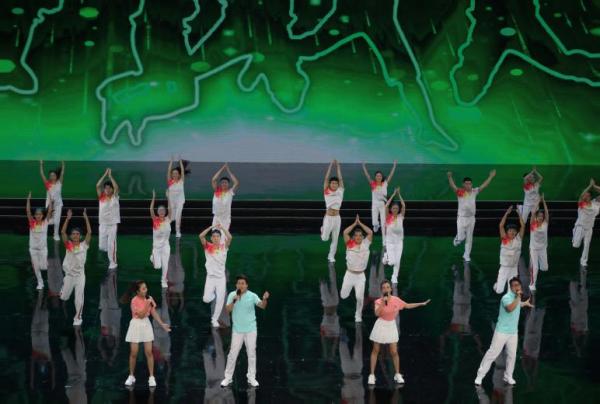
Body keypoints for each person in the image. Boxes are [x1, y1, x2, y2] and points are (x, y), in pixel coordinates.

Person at [367, 280, 430, 385]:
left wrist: (421, 304)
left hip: (391, 326)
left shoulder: (396, 300)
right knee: (375, 350)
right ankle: (372, 375)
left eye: (388, 287)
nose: (386, 289)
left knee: (394, 352)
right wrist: (383, 303)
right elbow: (377, 313)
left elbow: (407, 305)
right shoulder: (378, 301)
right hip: (381, 325)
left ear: (391, 289)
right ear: (381, 290)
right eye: (384, 288)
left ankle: (397, 374)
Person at [474, 277, 533, 386]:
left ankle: (508, 376)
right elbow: (510, 308)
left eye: (518, 285)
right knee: (492, 353)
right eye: (514, 285)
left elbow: (516, 305)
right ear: (511, 287)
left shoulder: (517, 298)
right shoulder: (505, 298)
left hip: (513, 333)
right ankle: (480, 375)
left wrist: (523, 303)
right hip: (501, 332)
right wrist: (519, 298)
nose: (516, 287)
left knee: (512, 355)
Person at [220, 275, 269, 388]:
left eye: (243, 283)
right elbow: (227, 310)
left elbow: (262, 306)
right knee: (232, 354)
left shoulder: (252, 295)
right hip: (237, 330)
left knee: (251, 354)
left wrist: (265, 299)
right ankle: (228, 377)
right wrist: (234, 301)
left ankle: (251, 377)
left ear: (247, 285)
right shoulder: (232, 295)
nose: (240, 285)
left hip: (251, 329)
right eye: (239, 283)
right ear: (236, 285)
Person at [124, 280, 171, 387]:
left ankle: (151, 377)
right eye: (143, 288)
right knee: (134, 353)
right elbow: (140, 315)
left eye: (146, 288)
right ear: (138, 291)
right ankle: (131, 376)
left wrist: (162, 324)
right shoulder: (134, 301)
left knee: (149, 352)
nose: (146, 290)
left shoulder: (148, 299)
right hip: (136, 325)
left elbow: (153, 312)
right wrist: (147, 303)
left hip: (146, 325)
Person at [447, 170, 496, 262]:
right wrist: (450, 177)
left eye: (470, 183)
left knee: (469, 237)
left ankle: (466, 255)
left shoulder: (474, 191)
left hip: (471, 218)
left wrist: (491, 176)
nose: (468, 185)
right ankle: (458, 239)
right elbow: (453, 186)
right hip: (461, 218)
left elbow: (484, 185)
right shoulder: (460, 192)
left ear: (471, 184)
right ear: (463, 184)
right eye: (466, 184)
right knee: (461, 238)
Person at [60, 209, 91, 326]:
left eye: (77, 234)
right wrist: (67, 219)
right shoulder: (68, 245)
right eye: (73, 234)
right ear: (71, 236)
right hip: (69, 275)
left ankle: (78, 317)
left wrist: (86, 217)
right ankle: (63, 289)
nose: (75, 235)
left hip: (80, 276)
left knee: (79, 298)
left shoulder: (84, 245)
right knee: (64, 297)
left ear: (80, 236)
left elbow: (89, 232)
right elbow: (62, 232)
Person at [340, 215, 373, 323]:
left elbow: (370, 232)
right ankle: (348, 290)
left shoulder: (366, 244)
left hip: (360, 276)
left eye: (360, 235)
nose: (358, 237)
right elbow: (345, 232)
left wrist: (360, 224)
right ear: (353, 237)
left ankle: (358, 315)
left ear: (362, 237)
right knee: (343, 296)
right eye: (356, 235)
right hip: (349, 275)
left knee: (359, 297)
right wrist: (355, 224)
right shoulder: (350, 244)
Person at [199, 224, 232, 328]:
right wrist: (210, 227)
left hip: (221, 278)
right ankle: (213, 295)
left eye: (218, 236)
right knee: (206, 299)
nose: (216, 238)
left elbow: (230, 237)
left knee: (220, 300)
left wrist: (222, 228)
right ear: (211, 238)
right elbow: (201, 236)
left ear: (220, 238)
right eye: (214, 236)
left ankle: (214, 319)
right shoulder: (207, 246)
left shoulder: (224, 247)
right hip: (210, 278)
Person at [361, 160, 397, 242]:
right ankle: (376, 225)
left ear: (382, 177)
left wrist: (394, 166)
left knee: (384, 224)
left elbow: (391, 175)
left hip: (383, 205)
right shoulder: (372, 184)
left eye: (380, 176)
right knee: (374, 223)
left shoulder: (385, 184)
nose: (379, 177)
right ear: (375, 177)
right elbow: (367, 176)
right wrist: (363, 167)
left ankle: (384, 242)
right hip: (375, 205)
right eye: (377, 176)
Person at [493, 206, 525, 294]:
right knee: (499, 291)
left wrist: (519, 214)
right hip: (504, 268)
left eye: (514, 231)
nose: (512, 232)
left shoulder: (518, 239)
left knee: (512, 292)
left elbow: (523, 226)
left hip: (514, 268)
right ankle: (497, 284)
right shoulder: (504, 239)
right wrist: (507, 213)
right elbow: (501, 225)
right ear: (507, 232)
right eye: (510, 230)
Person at [26, 192, 53, 290]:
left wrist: (50, 200)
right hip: (33, 249)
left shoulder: (45, 222)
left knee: (43, 267)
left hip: (43, 249)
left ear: (42, 215)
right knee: (36, 267)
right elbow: (28, 211)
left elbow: (49, 211)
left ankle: (49, 269)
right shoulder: (32, 222)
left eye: (40, 214)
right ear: (35, 215)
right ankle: (40, 283)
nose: (38, 216)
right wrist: (28, 200)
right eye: (36, 214)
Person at [96, 168, 120, 269]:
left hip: (112, 225)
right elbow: (98, 185)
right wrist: (105, 174)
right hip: (103, 224)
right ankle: (110, 251)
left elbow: (116, 187)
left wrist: (110, 176)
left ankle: (113, 262)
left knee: (111, 245)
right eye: (106, 188)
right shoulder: (101, 197)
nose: (107, 189)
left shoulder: (115, 197)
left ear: (112, 189)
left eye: (109, 188)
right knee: (102, 247)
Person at [572, 179, 600, 267]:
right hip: (580, 227)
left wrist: (594, 186)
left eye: (587, 195)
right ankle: (574, 235)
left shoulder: (596, 204)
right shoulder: (581, 204)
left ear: (590, 197)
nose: (585, 196)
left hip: (589, 229)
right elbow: (581, 196)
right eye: (584, 195)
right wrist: (590, 186)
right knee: (575, 245)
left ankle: (583, 261)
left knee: (587, 245)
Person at [321, 160, 344, 263]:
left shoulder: (340, 190)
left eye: (336, 183)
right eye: (333, 183)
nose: (334, 184)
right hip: (328, 218)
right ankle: (322, 229)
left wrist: (338, 167)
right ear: (330, 184)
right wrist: (331, 165)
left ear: (338, 185)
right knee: (325, 239)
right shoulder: (326, 190)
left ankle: (331, 256)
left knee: (335, 239)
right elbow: (326, 178)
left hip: (337, 218)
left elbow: (341, 178)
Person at [382, 187, 405, 284]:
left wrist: (399, 195)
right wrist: (393, 195)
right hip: (390, 242)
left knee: (398, 260)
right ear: (391, 209)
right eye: (393, 208)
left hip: (399, 242)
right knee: (392, 262)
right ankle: (386, 257)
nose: (395, 209)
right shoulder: (388, 217)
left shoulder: (401, 216)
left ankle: (394, 276)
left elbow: (404, 205)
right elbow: (386, 206)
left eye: (396, 208)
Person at [150, 190, 172, 288]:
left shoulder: (168, 219)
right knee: (157, 266)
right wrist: (153, 198)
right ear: (157, 212)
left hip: (166, 245)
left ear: (165, 212)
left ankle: (163, 281)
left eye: (163, 210)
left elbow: (170, 208)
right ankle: (152, 257)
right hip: (156, 247)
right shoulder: (155, 219)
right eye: (160, 210)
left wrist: (168, 197)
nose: (162, 212)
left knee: (165, 264)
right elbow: (151, 209)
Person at [39, 160, 64, 241]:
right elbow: (42, 174)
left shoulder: (59, 183)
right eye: (50, 175)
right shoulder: (48, 184)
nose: (52, 176)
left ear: (56, 176)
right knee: (49, 221)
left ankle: (56, 235)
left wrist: (63, 164)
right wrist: (41, 164)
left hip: (58, 205)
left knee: (57, 221)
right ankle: (41, 228)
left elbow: (62, 173)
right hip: (50, 205)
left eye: (53, 175)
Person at [529, 195, 549, 291]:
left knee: (544, 268)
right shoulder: (532, 224)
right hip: (534, 248)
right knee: (535, 267)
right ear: (536, 217)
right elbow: (533, 212)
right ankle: (532, 284)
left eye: (542, 216)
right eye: (539, 216)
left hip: (543, 248)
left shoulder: (545, 224)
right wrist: (538, 202)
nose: (540, 217)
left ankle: (534, 265)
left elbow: (547, 212)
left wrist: (543, 201)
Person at [211, 163, 239, 231]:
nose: (224, 183)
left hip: (225, 219)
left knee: (224, 236)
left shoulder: (230, 192)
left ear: (228, 184)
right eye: (222, 182)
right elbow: (213, 180)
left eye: (226, 182)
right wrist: (222, 169)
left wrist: (228, 170)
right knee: (215, 235)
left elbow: (236, 183)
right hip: (216, 217)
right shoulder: (217, 191)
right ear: (220, 184)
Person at [166, 157, 187, 237]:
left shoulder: (181, 181)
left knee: (178, 216)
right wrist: (171, 161)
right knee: (171, 218)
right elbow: (168, 170)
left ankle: (178, 231)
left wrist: (180, 162)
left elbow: (182, 171)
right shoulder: (170, 182)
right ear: (172, 175)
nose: (175, 174)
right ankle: (166, 230)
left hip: (179, 202)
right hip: (171, 202)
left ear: (179, 175)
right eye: (173, 173)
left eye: (176, 173)